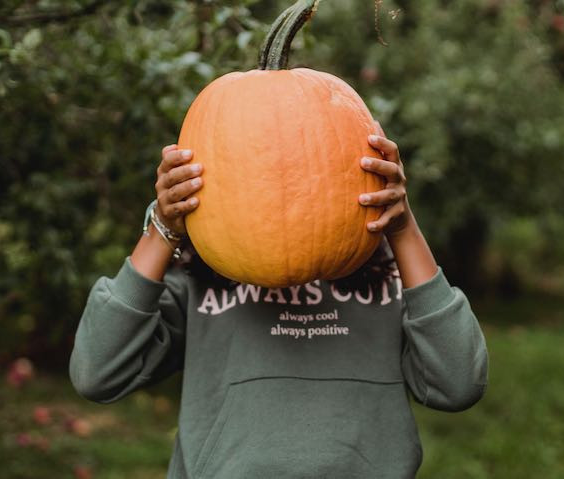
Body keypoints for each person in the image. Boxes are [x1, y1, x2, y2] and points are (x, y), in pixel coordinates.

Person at [69, 126, 489, 478]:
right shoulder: (199, 279)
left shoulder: (394, 279)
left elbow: (458, 383)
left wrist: (402, 226)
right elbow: (98, 372)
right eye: (265, 168)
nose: (286, 184)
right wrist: (165, 226)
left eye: (307, 166)